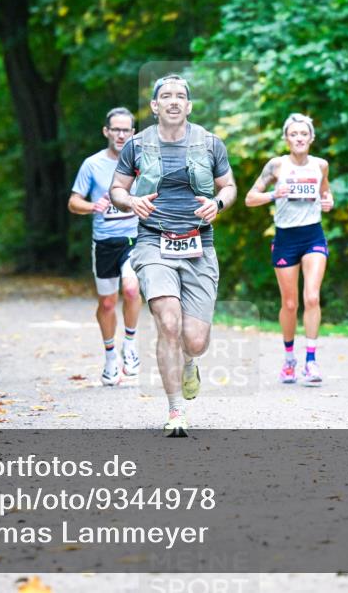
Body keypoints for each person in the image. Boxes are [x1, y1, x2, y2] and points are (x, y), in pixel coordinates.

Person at [109, 75, 237, 436]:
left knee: (195, 340)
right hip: (153, 242)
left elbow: (229, 186)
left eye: (180, 96)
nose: (174, 101)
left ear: (189, 105)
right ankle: (175, 409)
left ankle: (189, 361)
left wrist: (217, 203)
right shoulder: (137, 145)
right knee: (168, 322)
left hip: (199, 244)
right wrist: (131, 200)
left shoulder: (210, 144)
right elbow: (117, 189)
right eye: (166, 96)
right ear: (154, 106)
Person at [244, 113, 334, 385]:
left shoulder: (321, 165)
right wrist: (274, 194)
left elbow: (326, 193)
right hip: (285, 238)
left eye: (304, 134)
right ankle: (289, 359)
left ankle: (311, 361)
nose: (299, 138)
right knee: (290, 303)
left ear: (311, 138)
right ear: (286, 139)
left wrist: (328, 201)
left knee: (312, 298)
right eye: (294, 134)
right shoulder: (276, 165)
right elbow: (250, 198)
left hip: (313, 235)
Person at [68, 108, 142, 386]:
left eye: (126, 130)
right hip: (104, 242)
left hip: (134, 238)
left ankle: (130, 344)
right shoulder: (92, 164)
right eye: (116, 130)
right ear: (106, 132)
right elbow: (73, 202)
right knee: (108, 303)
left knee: (132, 288)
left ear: (133, 133)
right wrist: (92, 206)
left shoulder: (142, 162)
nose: (121, 135)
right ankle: (111, 357)